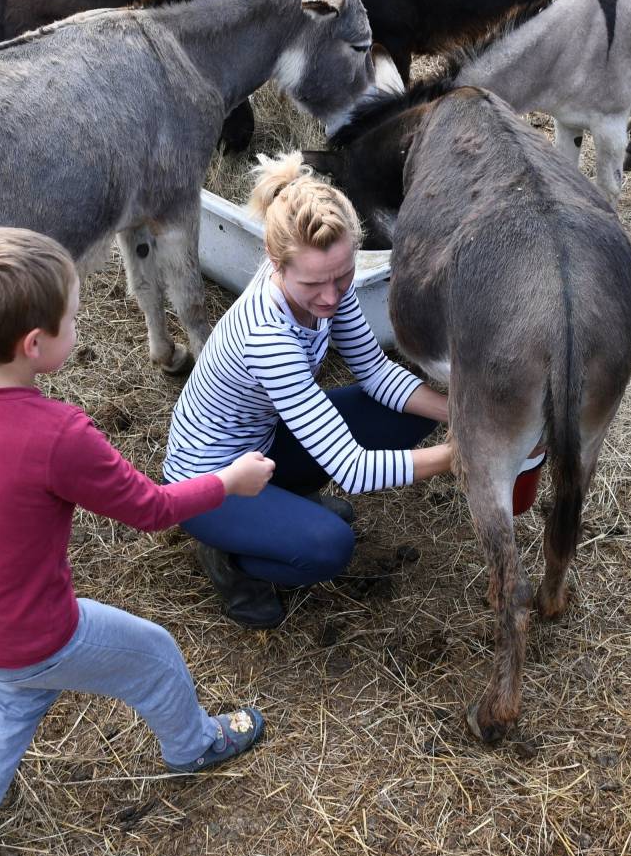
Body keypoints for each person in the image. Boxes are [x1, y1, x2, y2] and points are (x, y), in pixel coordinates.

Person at [0, 226, 276, 856]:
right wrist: (227, 482)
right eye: (74, 317)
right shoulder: (58, 436)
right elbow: (151, 511)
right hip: (33, 629)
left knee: (16, 695)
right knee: (154, 652)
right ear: (36, 345)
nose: (80, 325)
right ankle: (194, 744)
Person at [164, 155, 455, 628]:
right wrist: (461, 454)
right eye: (315, 284)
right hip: (208, 483)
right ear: (275, 262)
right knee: (329, 546)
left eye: (343, 276)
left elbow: (376, 373)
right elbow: (354, 470)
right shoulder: (268, 338)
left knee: (417, 410)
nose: (332, 297)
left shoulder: (323, 283)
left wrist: (460, 413)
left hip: (263, 442)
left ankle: (282, 502)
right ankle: (229, 557)